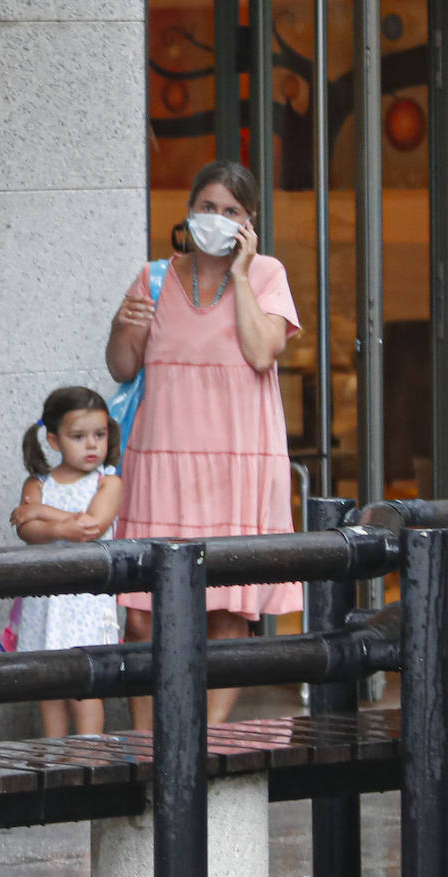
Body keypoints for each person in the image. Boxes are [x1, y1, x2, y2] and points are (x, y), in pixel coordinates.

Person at [106, 161, 302, 729]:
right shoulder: (155, 277)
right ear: (189, 210)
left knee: (228, 610)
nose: (217, 219)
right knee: (142, 615)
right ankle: (148, 745)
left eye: (232, 212)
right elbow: (122, 365)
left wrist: (240, 274)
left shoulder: (266, 274)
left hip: (236, 461)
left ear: (250, 222)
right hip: (161, 461)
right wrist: (123, 326)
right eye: (208, 207)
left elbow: (263, 351)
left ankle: (209, 741)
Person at [9, 387, 122, 737]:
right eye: (78, 437)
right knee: (49, 683)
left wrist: (45, 513)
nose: (91, 445)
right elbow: (27, 530)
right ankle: (55, 757)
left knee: (85, 684)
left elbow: (92, 525)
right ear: (54, 441)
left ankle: (92, 755)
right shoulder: (38, 482)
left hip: (86, 599)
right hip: (46, 597)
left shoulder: (108, 482)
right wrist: (63, 525)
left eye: (99, 435)